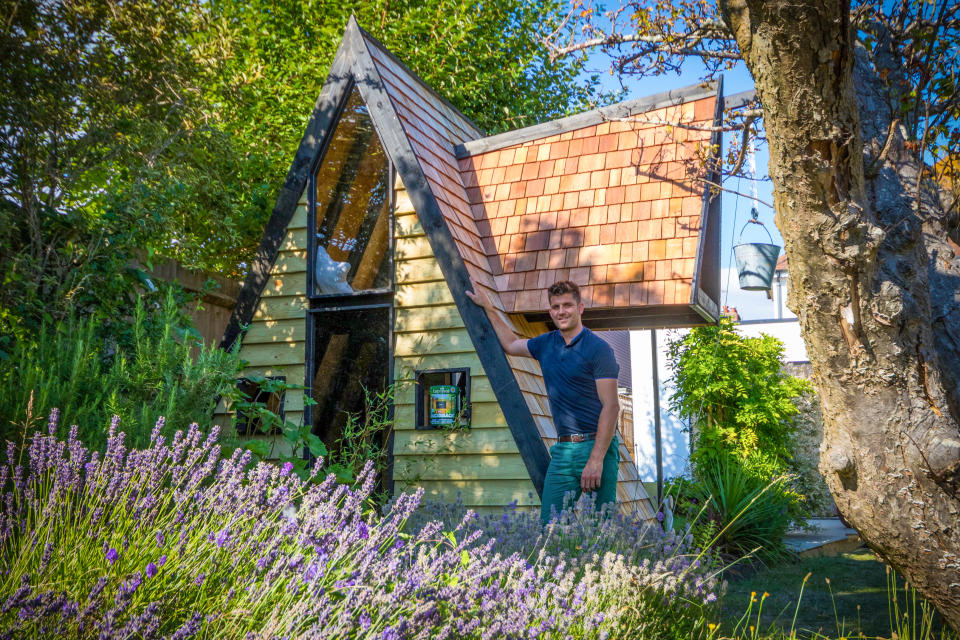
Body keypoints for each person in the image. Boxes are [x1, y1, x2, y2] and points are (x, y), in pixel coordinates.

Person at [465, 280, 620, 524]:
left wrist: (596, 459)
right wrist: (488, 306)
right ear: (550, 311)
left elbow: (611, 406)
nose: (562, 311)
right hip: (564, 451)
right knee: (551, 526)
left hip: (598, 446)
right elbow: (511, 344)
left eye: (567, 305)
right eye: (556, 306)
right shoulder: (546, 344)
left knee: (602, 528)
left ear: (580, 308)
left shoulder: (599, 350)